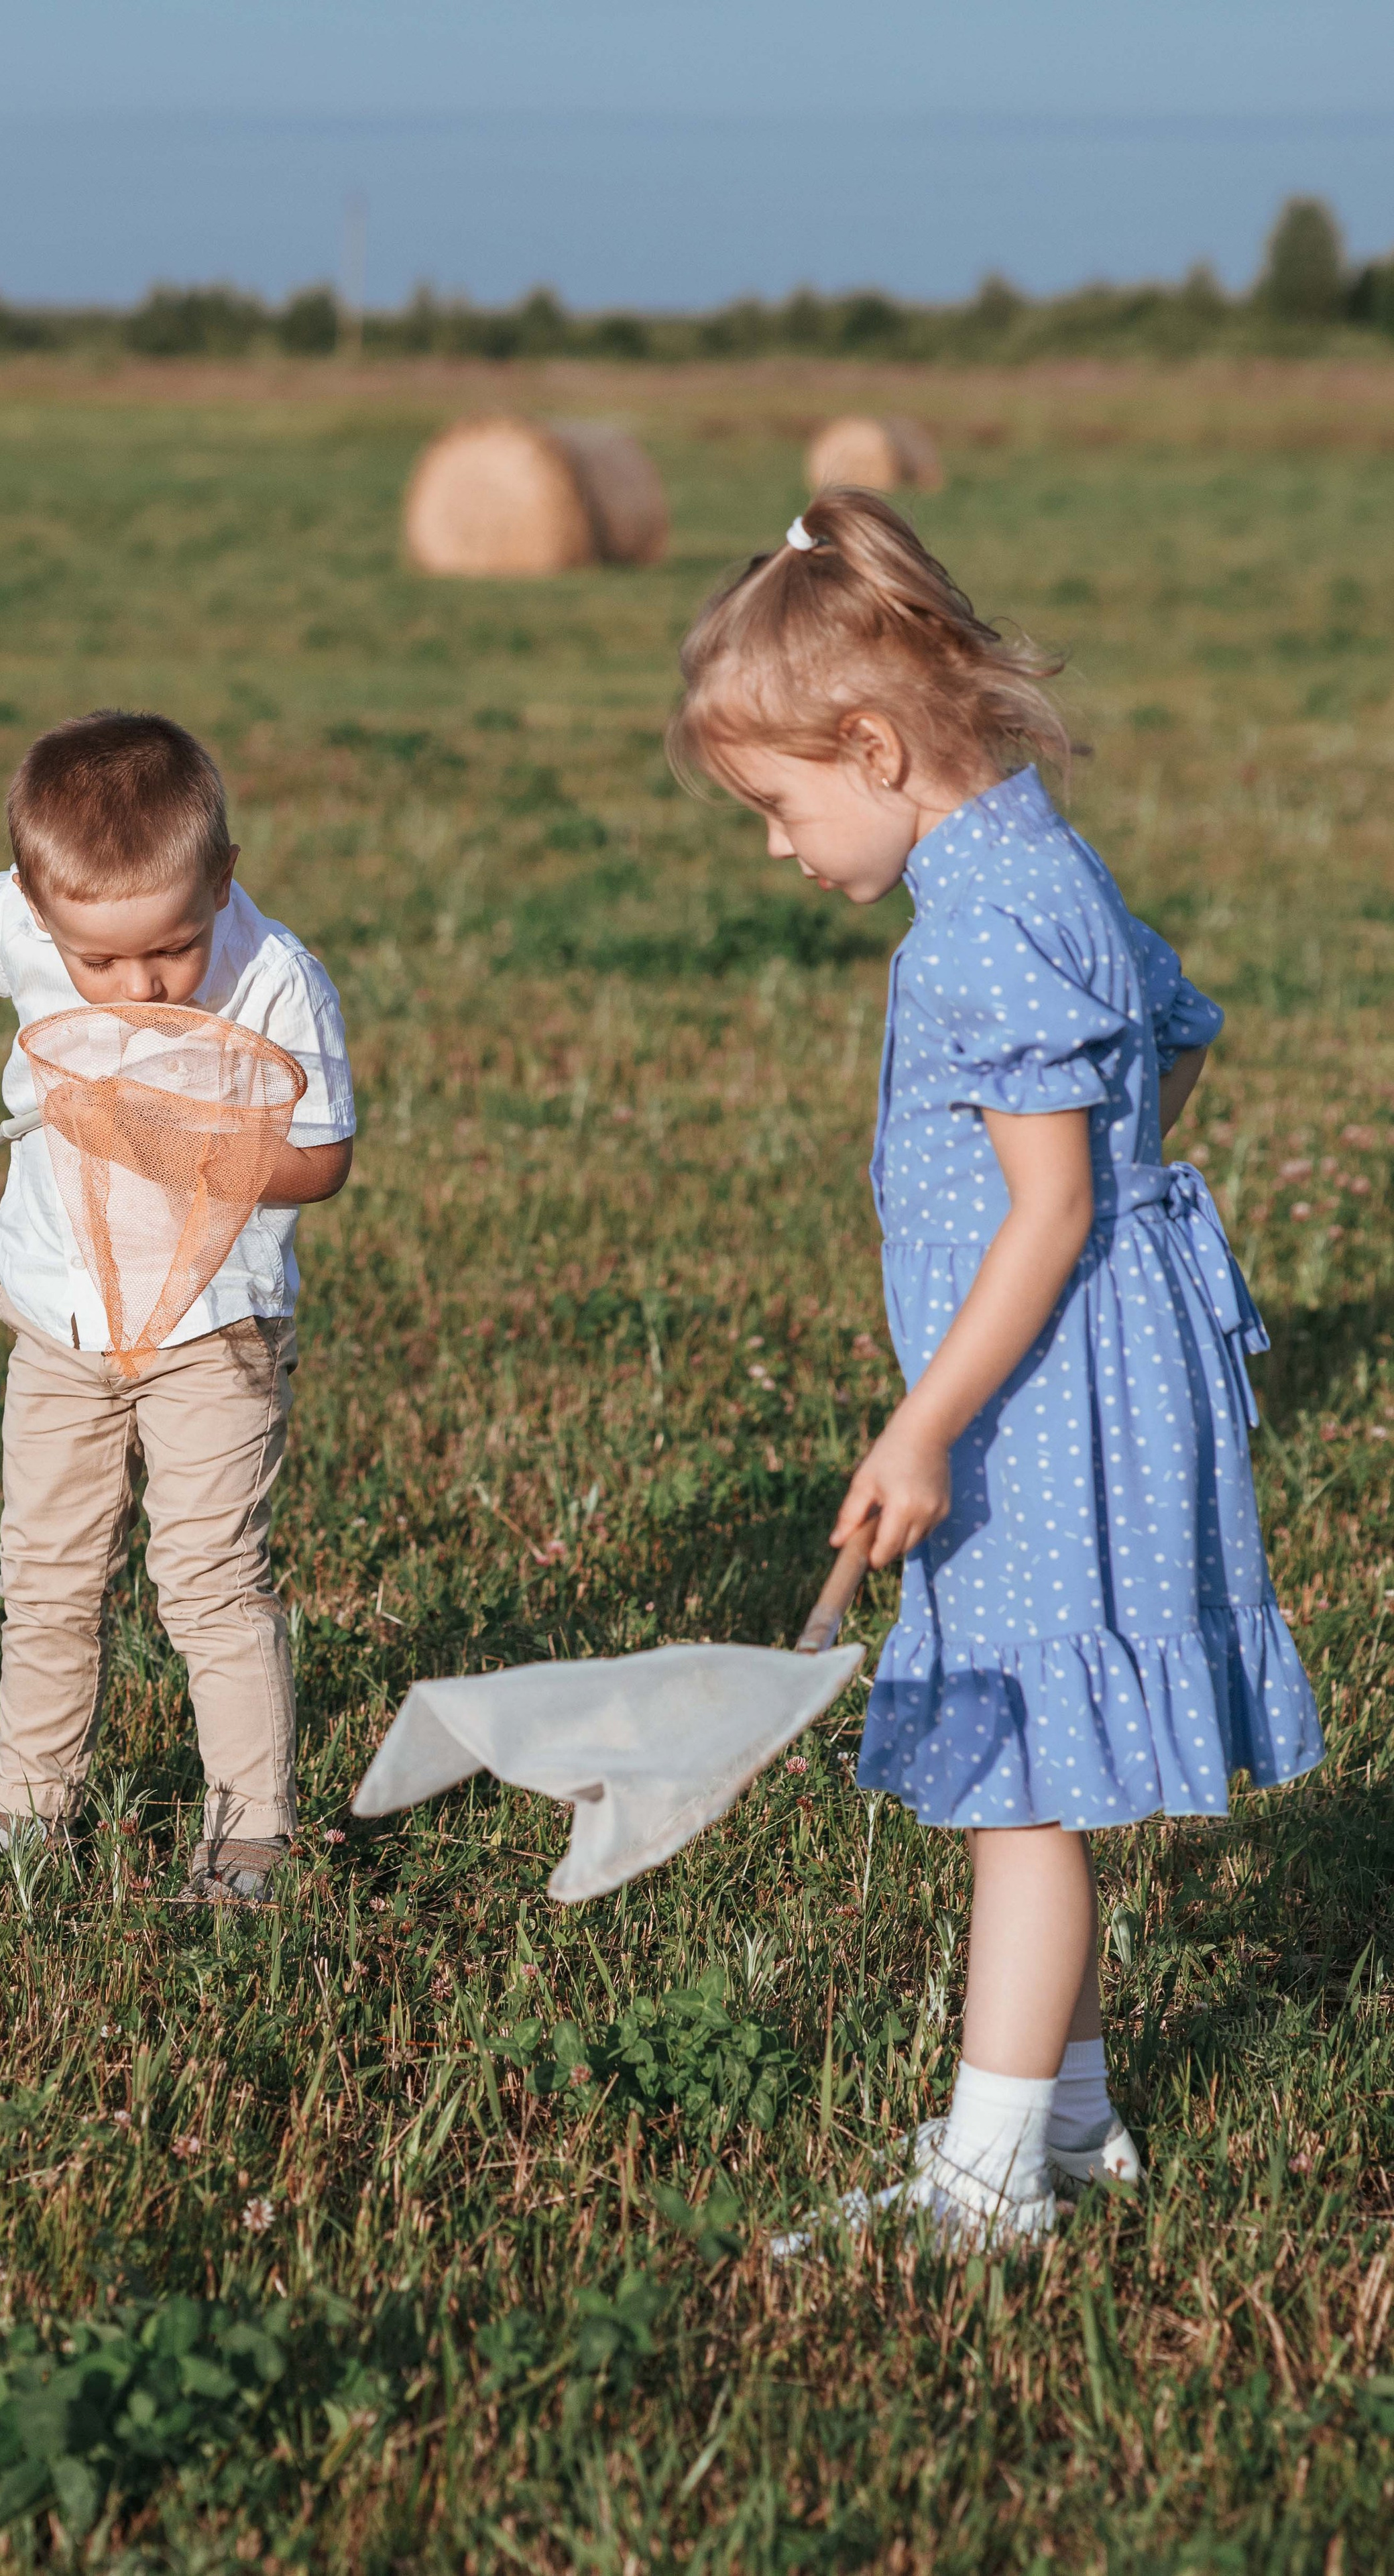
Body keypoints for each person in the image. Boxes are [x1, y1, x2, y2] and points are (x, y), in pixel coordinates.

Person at [669, 494, 1321, 2246]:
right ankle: (1079, 2130)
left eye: (784, 806)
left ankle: (983, 2188)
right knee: (1035, 1763)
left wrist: (932, 1419)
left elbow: (1043, 1213)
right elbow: (1181, 1039)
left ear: (872, 747)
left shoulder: (979, 923)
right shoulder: (1043, 861)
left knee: (1019, 1789)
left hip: (1043, 1400)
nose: (781, 850)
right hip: (1076, 1370)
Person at [0, 709, 355, 1905]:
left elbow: (321, 1161)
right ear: (38, 915)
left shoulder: (273, 978)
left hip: (216, 1327)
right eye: (100, 963)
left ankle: (251, 1833)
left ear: (223, 880)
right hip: (59, 1319)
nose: (142, 984)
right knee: (44, 1573)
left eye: (173, 947)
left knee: (207, 1578)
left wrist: (175, 1145)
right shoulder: (11, 916)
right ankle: (27, 1810)